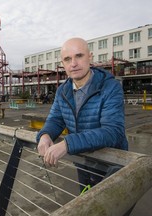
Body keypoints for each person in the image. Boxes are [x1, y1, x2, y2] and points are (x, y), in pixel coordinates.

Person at [36, 37, 128, 191]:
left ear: (90, 57)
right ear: (63, 64)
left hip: (111, 165)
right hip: (83, 162)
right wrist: (45, 135)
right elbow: (56, 119)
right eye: (67, 59)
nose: (73, 63)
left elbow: (113, 132)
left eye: (79, 56)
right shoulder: (63, 91)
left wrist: (68, 144)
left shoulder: (110, 87)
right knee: (86, 204)